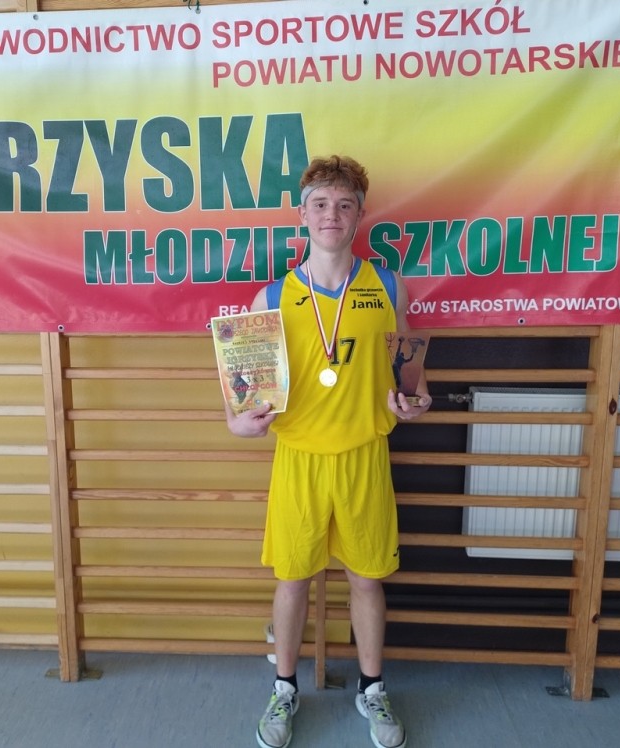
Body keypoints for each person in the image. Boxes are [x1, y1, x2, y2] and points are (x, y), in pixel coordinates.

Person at [224, 155, 431, 748]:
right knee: (292, 579)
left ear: (360, 215)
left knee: (367, 580)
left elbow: (412, 375)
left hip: (365, 454)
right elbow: (243, 400)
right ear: (302, 214)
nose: (331, 215)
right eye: (320, 204)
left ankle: (373, 689)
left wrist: (416, 402)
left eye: (344, 205)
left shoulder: (388, 286)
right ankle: (284, 688)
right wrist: (240, 424)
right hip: (300, 458)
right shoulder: (271, 295)